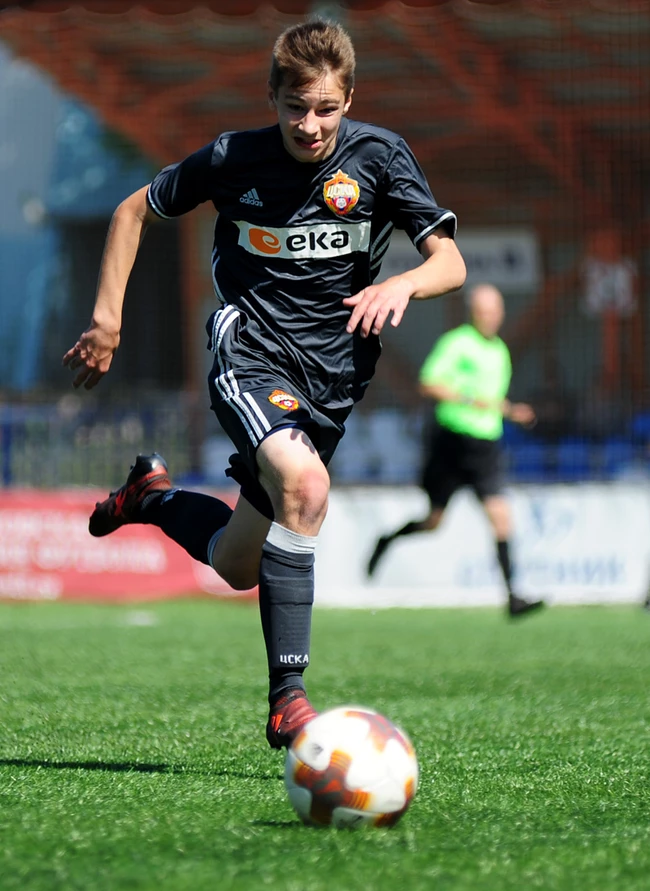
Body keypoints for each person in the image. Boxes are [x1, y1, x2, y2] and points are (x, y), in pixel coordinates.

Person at [62, 19, 466, 749]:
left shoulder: (381, 158)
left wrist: (403, 283)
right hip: (250, 350)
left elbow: (450, 262)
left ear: (349, 99)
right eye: (295, 108)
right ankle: (289, 699)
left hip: (333, 380)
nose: (310, 125)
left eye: (326, 109)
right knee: (306, 487)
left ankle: (151, 497)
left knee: (236, 563)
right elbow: (133, 211)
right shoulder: (232, 158)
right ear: (272, 98)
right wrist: (106, 322)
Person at [366, 283, 544, 618]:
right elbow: (428, 383)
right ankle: (387, 540)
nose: (489, 317)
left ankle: (513, 596)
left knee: (501, 517)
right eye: (483, 311)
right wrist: (468, 398)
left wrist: (511, 411)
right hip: (451, 443)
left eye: (494, 311)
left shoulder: (500, 352)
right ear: (473, 313)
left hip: (485, 447)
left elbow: (490, 400)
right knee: (434, 522)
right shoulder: (457, 343)